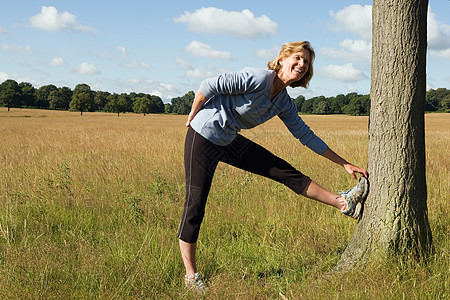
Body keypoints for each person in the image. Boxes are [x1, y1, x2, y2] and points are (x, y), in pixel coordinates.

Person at [178, 41, 369, 292]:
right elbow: (208, 86)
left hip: (228, 139)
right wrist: (193, 116)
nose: (302, 65)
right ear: (282, 59)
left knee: (282, 170)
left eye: (307, 63)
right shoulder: (258, 78)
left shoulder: (283, 103)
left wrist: (344, 163)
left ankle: (344, 203)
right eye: (298, 58)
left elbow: (306, 135)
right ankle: (191, 275)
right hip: (202, 135)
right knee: (195, 203)